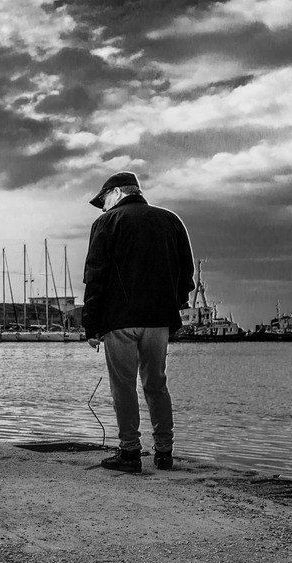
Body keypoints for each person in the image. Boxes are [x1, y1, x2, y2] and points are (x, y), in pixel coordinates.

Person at [82, 171, 195, 473]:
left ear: (117, 193)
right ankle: (164, 452)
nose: (102, 207)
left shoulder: (106, 223)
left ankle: (130, 452)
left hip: (119, 320)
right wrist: (174, 307)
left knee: (124, 386)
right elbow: (187, 275)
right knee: (156, 384)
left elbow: (95, 277)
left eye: (103, 200)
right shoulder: (171, 220)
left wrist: (90, 326)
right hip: (158, 320)